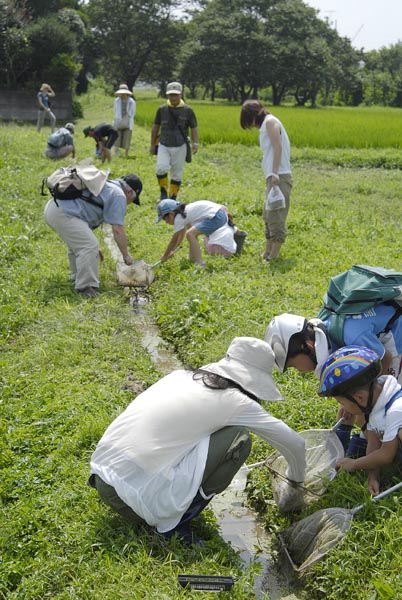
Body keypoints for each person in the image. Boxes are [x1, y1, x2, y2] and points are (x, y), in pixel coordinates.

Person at [88, 336, 306, 545]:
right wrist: (295, 485)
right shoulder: (236, 401)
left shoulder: (179, 376)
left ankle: (170, 501)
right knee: (239, 438)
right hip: (134, 499)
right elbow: (295, 444)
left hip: (103, 477)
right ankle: (176, 524)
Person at [265, 310, 402, 456]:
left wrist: (373, 409)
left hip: (393, 346)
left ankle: (386, 449)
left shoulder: (351, 335)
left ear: (306, 347)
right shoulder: (322, 335)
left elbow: (384, 359)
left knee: (382, 404)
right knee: (360, 403)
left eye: (293, 365)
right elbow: (350, 384)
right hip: (381, 348)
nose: (299, 371)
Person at [318, 345, 402, 496]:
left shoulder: (396, 409)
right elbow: (373, 442)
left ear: (359, 398)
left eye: (342, 403)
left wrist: (354, 464)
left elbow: (385, 455)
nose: (343, 408)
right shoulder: (375, 401)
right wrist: (373, 476)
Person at [44, 174, 142, 297]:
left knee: (81, 245)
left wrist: (95, 248)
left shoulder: (107, 187)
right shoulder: (119, 195)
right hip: (63, 213)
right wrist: (126, 256)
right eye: (133, 200)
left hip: (55, 208)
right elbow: (118, 230)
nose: (130, 203)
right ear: (129, 192)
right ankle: (86, 288)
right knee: (88, 245)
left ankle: (76, 277)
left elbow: (84, 215)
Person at [240, 99, 292, 262]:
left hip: (279, 175)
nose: (252, 126)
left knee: (276, 214)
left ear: (253, 116)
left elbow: (278, 147)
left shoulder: (270, 122)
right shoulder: (267, 124)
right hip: (273, 176)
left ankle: (274, 255)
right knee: (268, 214)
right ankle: (267, 251)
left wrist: (275, 173)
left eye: (250, 122)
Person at [150, 81, 198, 200]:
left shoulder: (188, 110)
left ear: (181, 94)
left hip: (180, 145)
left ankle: (173, 197)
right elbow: (155, 127)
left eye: (175, 95)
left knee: (177, 173)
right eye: (171, 95)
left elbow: (194, 127)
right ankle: (163, 191)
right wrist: (152, 144)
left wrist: (195, 143)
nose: (173, 97)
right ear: (167, 95)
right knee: (161, 168)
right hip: (164, 144)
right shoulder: (162, 109)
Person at [155, 199, 229, 268]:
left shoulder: (178, 218)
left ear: (171, 214)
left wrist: (165, 256)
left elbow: (173, 241)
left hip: (217, 217)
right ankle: (193, 258)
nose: (167, 222)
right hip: (221, 214)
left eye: (165, 219)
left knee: (190, 234)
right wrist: (172, 250)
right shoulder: (184, 213)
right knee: (192, 231)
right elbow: (181, 234)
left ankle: (200, 262)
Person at [113, 84, 136, 158]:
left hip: (128, 121)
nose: (122, 95)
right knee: (117, 138)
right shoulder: (117, 101)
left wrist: (128, 118)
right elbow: (115, 111)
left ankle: (126, 154)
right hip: (118, 121)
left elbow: (133, 112)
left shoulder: (131, 101)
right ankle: (116, 153)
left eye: (124, 93)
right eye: (121, 93)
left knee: (127, 138)